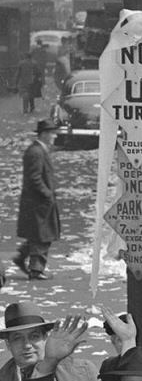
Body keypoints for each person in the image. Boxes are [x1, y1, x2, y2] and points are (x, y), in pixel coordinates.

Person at [14, 117, 61, 280]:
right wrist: (47, 194)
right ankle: (36, 270)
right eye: (52, 133)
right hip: (38, 201)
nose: (54, 136)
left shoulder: (38, 150)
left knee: (38, 233)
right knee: (43, 235)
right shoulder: (36, 152)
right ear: (44, 134)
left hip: (38, 201)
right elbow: (34, 178)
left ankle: (21, 257)